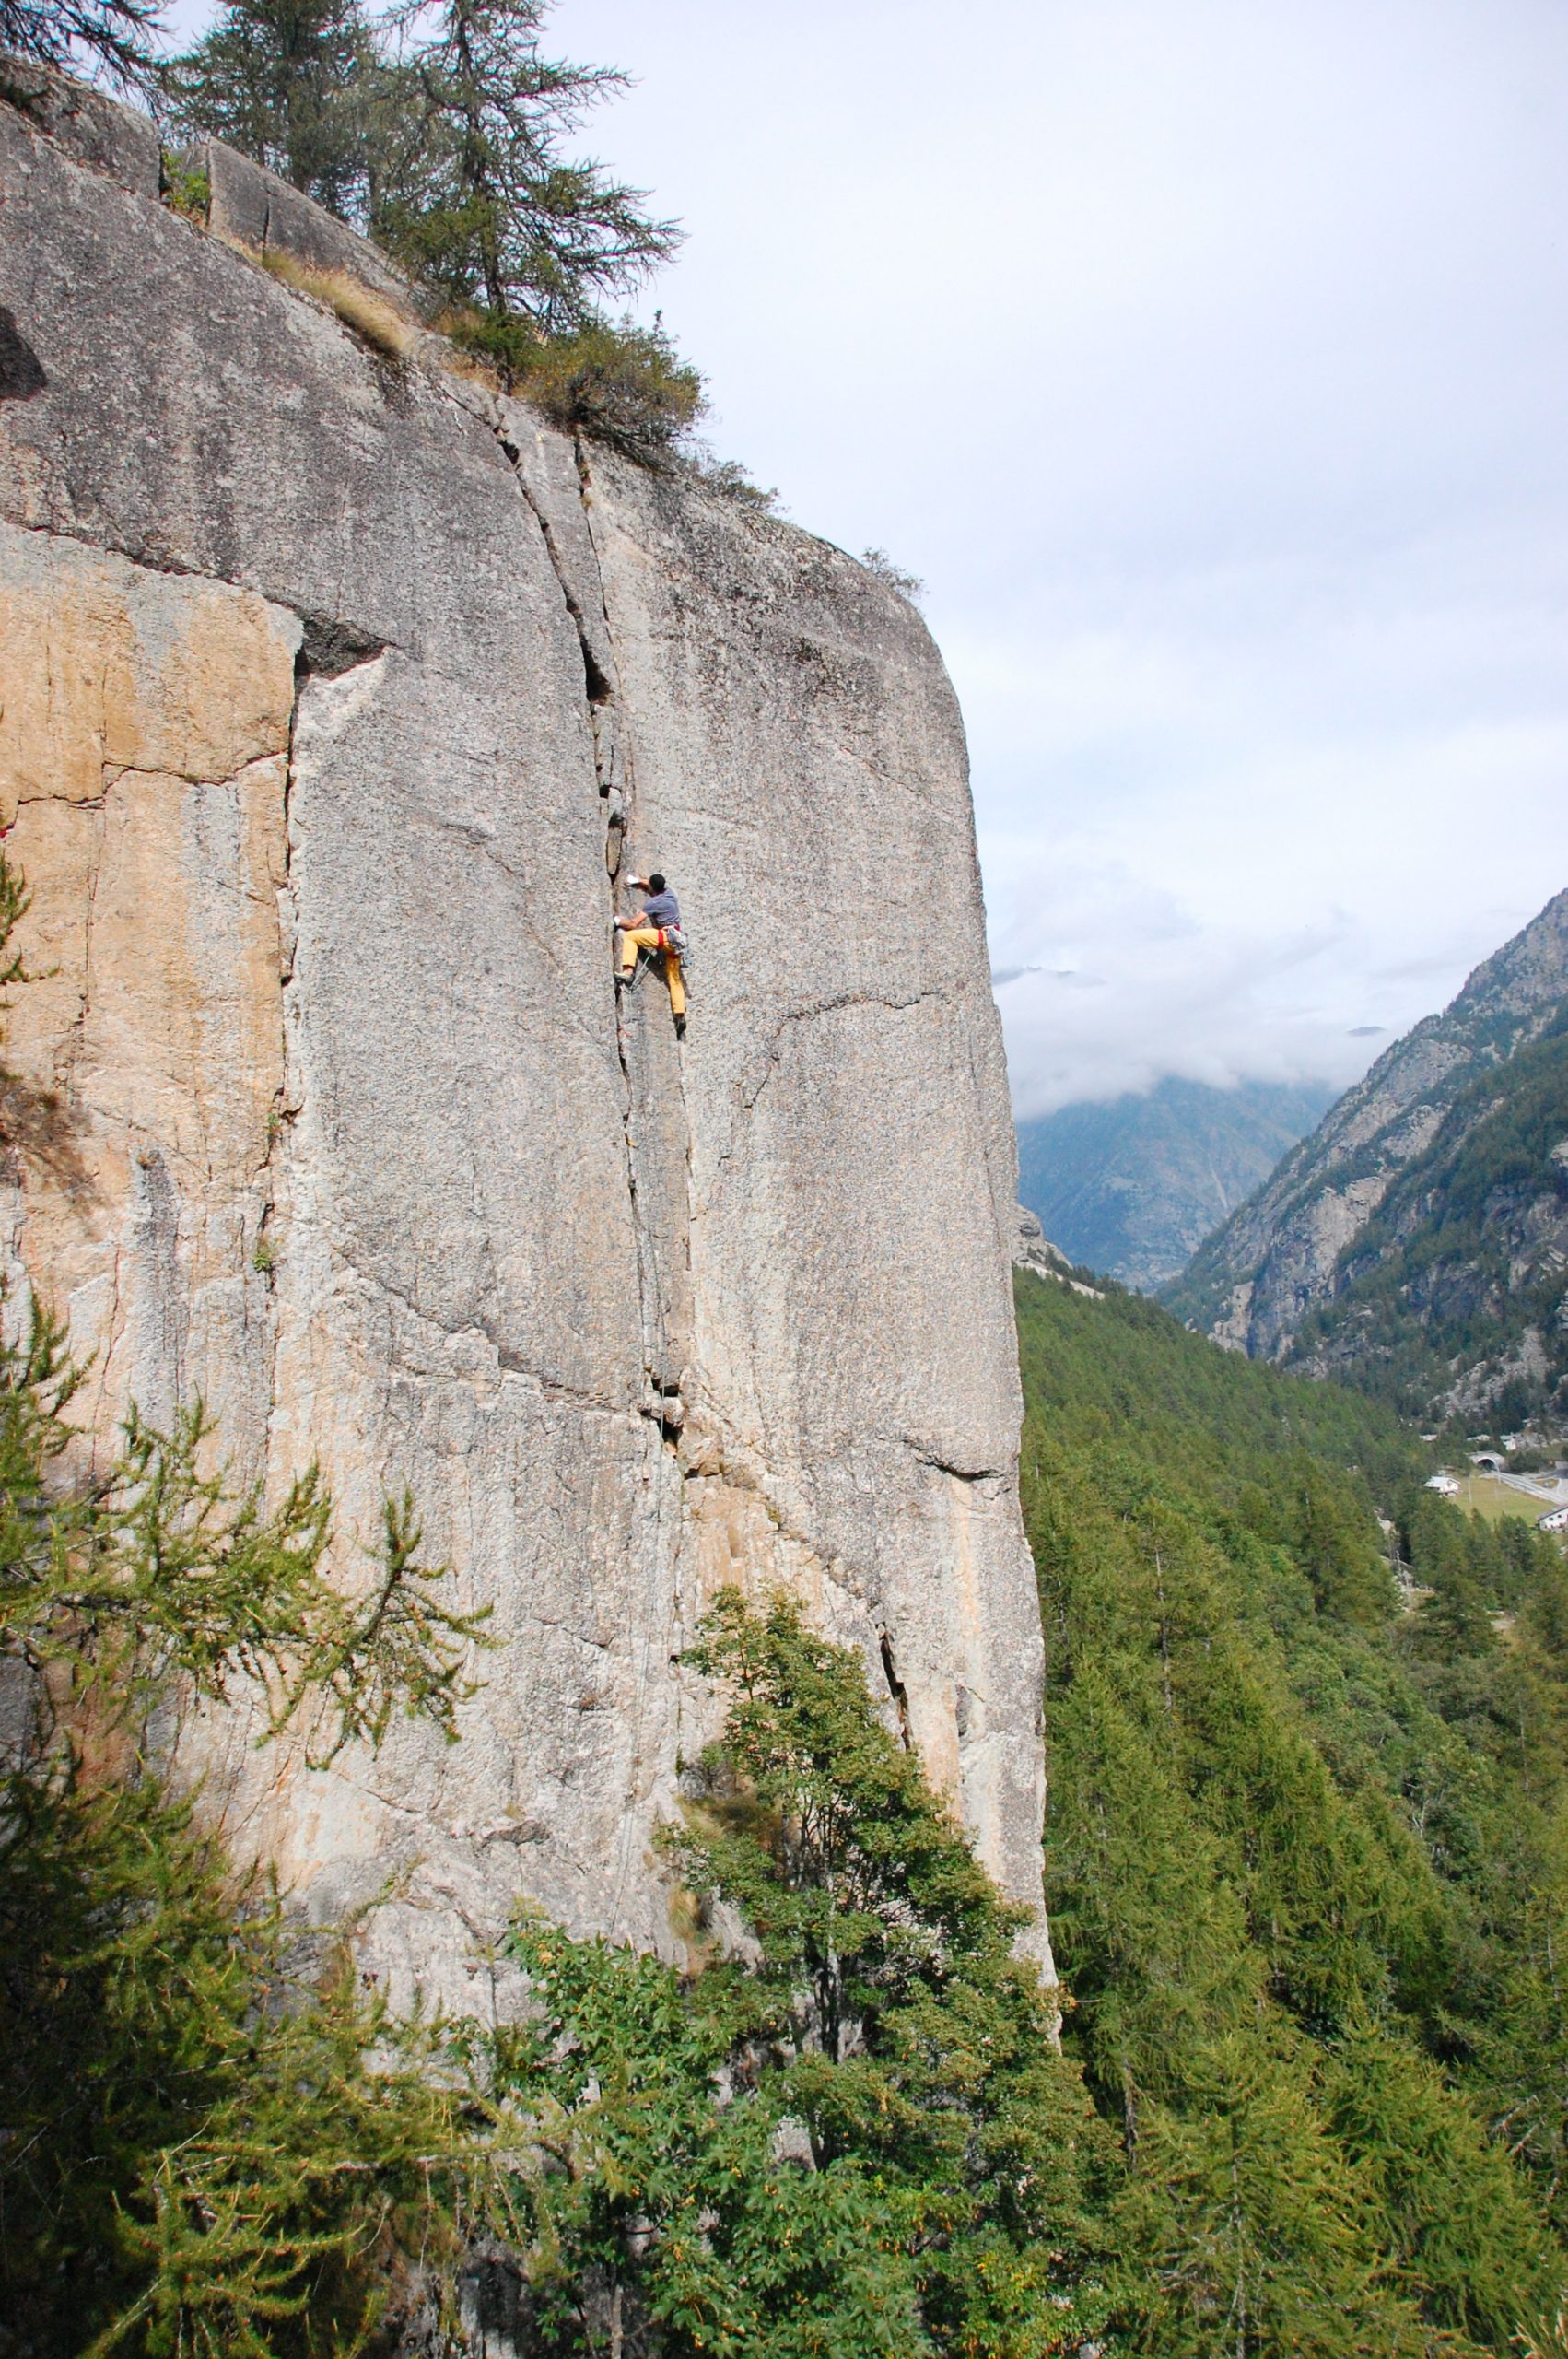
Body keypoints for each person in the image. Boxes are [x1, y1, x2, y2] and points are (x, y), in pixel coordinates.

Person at [614, 871, 686, 1036]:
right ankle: (680, 1013)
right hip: (677, 942)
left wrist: (619, 921)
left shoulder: (654, 903)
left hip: (663, 937)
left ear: (652, 888)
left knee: (631, 936)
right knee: (674, 978)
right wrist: (638, 881)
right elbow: (650, 883)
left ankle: (628, 971)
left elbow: (633, 924)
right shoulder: (670, 894)